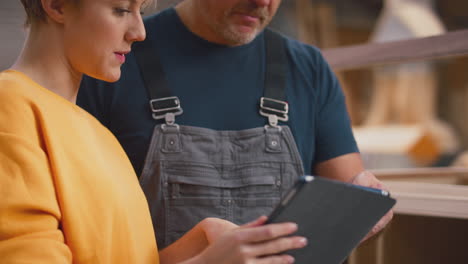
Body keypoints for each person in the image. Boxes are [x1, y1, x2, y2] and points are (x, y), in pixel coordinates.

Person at [0, 0, 307, 263]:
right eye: (121, 9)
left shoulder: (98, 134)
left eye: (140, 11)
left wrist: (199, 244)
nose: (139, 32)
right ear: (56, 4)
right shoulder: (10, 107)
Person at [78, 0, 393, 249]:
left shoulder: (308, 69)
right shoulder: (116, 59)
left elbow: (348, 200)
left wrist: (366, 211)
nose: (262, 1)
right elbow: (87, 227)